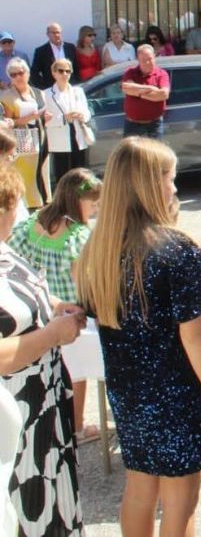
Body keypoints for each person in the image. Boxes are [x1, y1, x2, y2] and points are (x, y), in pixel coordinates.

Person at [78, 137, 201, 537]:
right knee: (181, 501)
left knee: (140, 489)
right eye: (170, 178)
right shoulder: (174, 248)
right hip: (177, 393)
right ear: (149, 184)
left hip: (129, 392)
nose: (174, 188)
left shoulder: (100, 248)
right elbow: (195, 336)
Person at [0, 162, 86, 537]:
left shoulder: (4, 248)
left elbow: (17, 293)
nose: (21, 214)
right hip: (13, 422)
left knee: (54, 513)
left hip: (44, 413)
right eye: (16, 205)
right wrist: (51, 336)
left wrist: (54, 305)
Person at [8, 168, 102, 442]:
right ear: (77, 200)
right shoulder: (77, 236)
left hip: (34, 308)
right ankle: (77, 425)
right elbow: (82, 280)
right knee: (77, 371)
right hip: (67, 312)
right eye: (93, 204)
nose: (95, 210)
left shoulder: (33, 222)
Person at [1, 57, 51, 208]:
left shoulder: (39, 93)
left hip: (41, 136)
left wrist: (44, 117)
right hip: (22, 140)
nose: (18, 77)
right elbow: (8, 123)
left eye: (20, 73)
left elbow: (43, 113)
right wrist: (30, 117)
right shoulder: (6, 96)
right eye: (13, 74)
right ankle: (29, 208)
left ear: (28, 73)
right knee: (27, 175)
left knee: (42, 172)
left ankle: (43, 205)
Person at [43, 58, 93, 182]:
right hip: (60, 138)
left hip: (78, 134)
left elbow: (87, 112)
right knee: (62, 174)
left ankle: (82, 193)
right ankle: (64, 195)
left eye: (68, 71)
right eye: (61, 71)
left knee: (81, 173)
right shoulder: (46, 94)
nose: (65, 74)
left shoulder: (78, 91)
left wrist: (82, 115)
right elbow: (45, 120)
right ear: (54, 73)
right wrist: (63, 118)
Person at [121, 44, 170, 139]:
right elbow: (126, 88)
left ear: (154, 57)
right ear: (138, 60)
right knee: (129, 150)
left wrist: (137, 92)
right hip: (132, 126)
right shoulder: (130, 72)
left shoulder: (162, 74)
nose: (147, 62)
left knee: (155, 149)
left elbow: (163, 95)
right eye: (144, 60)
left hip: (154, 126)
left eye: (150, 59)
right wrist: (151, 89)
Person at [30, 22, 78, 89]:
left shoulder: (70, 47)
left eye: (58, 32)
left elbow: (76, 67)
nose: (57, 35)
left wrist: (76, 82)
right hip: (51, 88)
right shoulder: (41, 51)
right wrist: (43, 87)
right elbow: (34, 73)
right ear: (48, 34)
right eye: (53, 33)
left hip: (70, 87)